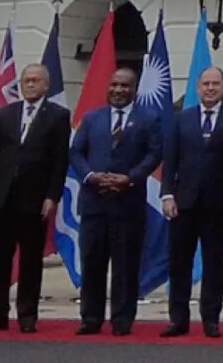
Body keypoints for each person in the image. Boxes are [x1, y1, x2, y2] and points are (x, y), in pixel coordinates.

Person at [69, 68, 162, 336]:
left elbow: (154, 154)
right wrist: (90, 176)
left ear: (134, 89)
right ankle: (90, 318)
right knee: (93, 263)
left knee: (126, 266)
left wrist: (129, 178)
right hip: (94, 204)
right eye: (114, 85)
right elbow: (76, 152)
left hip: (128, 204)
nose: (118, 90)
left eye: (124, 86)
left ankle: (122, 320)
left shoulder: (148, 118)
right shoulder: (92, 118)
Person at [0, 63, 71, 333]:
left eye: (35, 81)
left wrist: (52, 196)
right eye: (26, 81)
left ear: (46, 85)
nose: (30, 85)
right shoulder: (6, 114)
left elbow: (59, 161)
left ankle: (27, 314)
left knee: (31, 260)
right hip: (3, 198)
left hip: (34, 200)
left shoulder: (57, 116)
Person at [160, 66, 223, 339]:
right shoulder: (182, 119)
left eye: (216, 84)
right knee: (179, 262)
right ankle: (178, 318)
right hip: (183, 201)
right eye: (206, 84)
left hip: (218, 203)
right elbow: (171, 159)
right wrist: (167, 195)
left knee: (213, 261)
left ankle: (211, 318)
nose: (210, 88)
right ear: (198, 88)